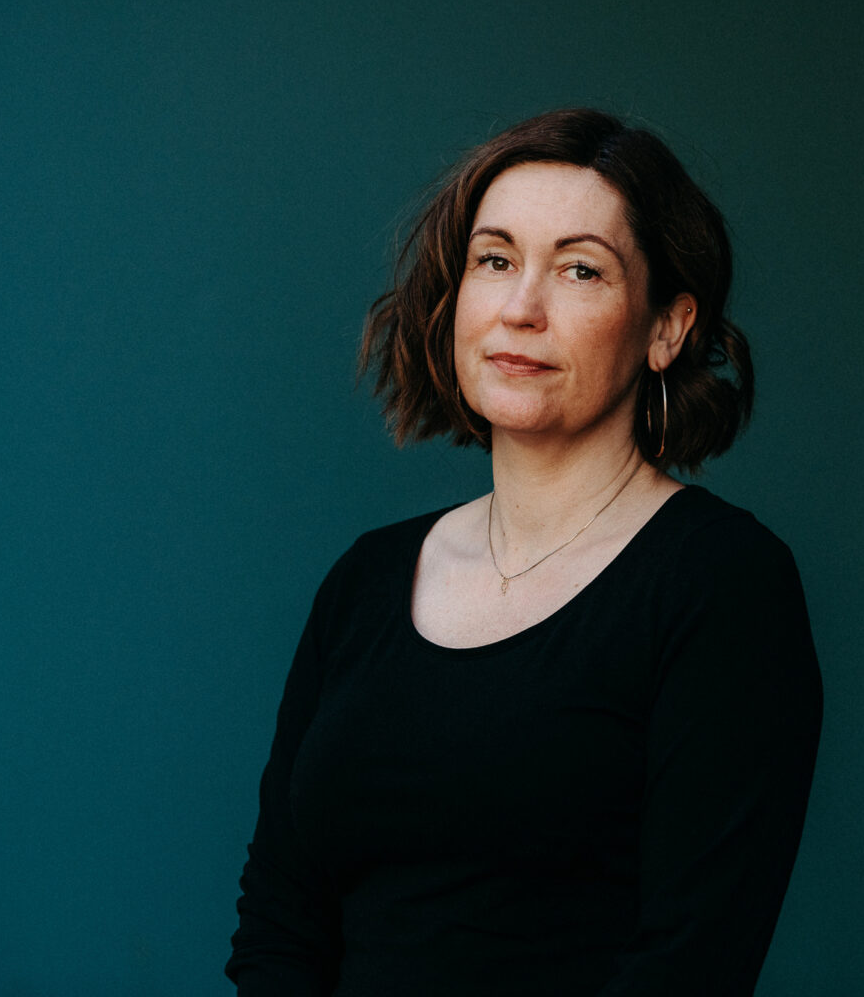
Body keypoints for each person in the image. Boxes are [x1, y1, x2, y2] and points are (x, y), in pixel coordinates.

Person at [225, 108, 822, 996]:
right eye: (495, 260)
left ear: (666, 328)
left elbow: (688, 965)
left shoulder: (722, 585)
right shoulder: (367, 580)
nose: (520, 309)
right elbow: (281, 919)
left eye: (581, 270)